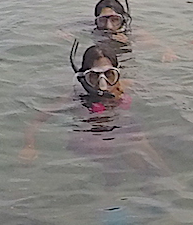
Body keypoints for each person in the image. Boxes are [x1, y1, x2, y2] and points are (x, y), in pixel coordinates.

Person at [19, 43, 168, 169]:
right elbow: (38, 120)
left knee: (141, 146)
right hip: (92, 136)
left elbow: (161, 91)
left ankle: (169, 183)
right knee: (129, 152)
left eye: (109, 75)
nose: (103, 84)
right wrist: (29, 146)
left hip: (123, 129)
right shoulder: (75, 95)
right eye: (94, 76)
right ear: (85, 77)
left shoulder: (126, 86)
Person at [87, 0, 174, 60]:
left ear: (123, 20)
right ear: (96, 22)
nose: (109, 26)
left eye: (115, 20)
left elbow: (156, 45)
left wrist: (128, 44)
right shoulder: (93, 31)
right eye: (102, 21)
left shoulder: (133, 32)